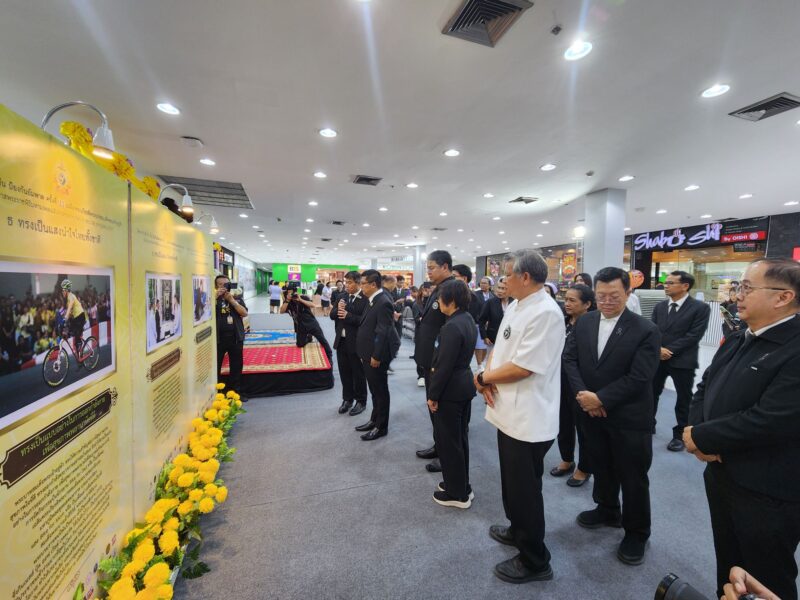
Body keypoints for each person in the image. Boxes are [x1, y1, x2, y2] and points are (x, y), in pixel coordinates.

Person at [686, 258, 800, 600]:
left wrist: (703, 437)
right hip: (722, 473)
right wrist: (694, 429)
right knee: (729, 564)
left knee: (764, 577)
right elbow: (704, 385)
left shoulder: (793, 349)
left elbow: (771, 419)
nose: (737, 294)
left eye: (747, 287)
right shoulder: (739, 337)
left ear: (782, 298)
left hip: (767, 489)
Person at [476, 250, 564, 584]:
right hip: (506, 410)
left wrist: (484, 379)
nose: (502, 282)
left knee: (526, 490)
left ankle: (535, 560)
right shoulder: (516, 305)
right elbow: (500, 349)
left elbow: (524, 367)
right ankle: (517, 529)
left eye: (507, 275)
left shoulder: (545, 312)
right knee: (513, 485)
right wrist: (484, 372)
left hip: (529, 417)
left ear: (525, 277)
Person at [563, 267, 661, 566]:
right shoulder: (586, 321)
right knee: (600, 463)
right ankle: (607, 509)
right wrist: (585, 397)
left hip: (629, 416)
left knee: (632, 476)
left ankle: (637, 532)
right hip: (590, 411)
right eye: (601, 295)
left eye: (614, 296)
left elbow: (641, 376)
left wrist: (601, 398)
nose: (606, 301)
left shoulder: (645, 329)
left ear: (628, 294)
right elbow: (570, 359)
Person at [427, 279, 477, 509]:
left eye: (441, 297)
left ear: (452, 300)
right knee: (460, 439)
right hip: (463, 387)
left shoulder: (451, 326)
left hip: (450, 390)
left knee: (449, 442)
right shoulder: (467, 319)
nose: (438, 301)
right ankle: (461, 484)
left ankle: (457, 494)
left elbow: (443, 366)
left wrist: (433, 395)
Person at [650, 270, 710, 451]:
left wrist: (670, 350)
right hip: (658, 358)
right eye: (665, 283)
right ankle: (647, 424)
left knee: (683, 398)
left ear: (685, 286)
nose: (665, 286)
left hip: (683, 360)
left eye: (670, 283)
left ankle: (680, 435)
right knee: (650, 393)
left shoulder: (700, 308)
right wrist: (658, 349)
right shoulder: (660, 307)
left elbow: (694, 335)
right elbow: (652, 330)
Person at [550, 284, 595, 487]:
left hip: (581, 384)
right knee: (563, 423)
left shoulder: (592, 325)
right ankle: (567, 459)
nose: (566, 303)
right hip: (559, 380)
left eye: (572, 300)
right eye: (566, 299)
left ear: (587, 304)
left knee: (584, 428)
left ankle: (584, 468)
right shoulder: (562, 321)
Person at [414, 250, 455, 473]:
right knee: (434, 409)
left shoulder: (450, 289)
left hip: (438, 360)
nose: (428, 271)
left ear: (445, 267)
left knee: (442, 410)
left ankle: (446, 454)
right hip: (429, 358)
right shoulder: (439, 288)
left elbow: (450, 328)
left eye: (431, 267)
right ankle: (439, 446)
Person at [354, 269, 397, 441]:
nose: (361, 286)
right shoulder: (372, 300)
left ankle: (381, 426)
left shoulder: (383, 302)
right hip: (367, 352)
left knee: (380, 391)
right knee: (374, 389)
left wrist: (376, 356)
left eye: (363, 283)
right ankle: (374, 419)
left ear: (373, 284)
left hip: (376, 355)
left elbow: (383, 332)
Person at [331, 271, 368, 416]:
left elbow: (365, 321)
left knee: (358, 373)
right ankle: (347, 399)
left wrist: (348, 315)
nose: (347, 285)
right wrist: (338, 309)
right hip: (342, 341)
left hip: (357, 342)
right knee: (344, 372)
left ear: (358, 283)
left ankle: (361, 401)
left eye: (350, 282)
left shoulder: (365, 299)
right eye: (346, 282)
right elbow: (332, 315)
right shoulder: (342, 297)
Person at [215, 274, 249, 396]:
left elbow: (244, 313)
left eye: (226, 284)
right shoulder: (211, 299)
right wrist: (215, 297)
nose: (223, 287)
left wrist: (232, 301)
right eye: (220, 284)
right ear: (216, 286)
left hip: (235, 338)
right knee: (215, 366)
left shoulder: (237, 298)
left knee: (236, 366)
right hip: (217, 339)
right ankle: (217, 393)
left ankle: (235, 392)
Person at [280, 284, 332, 360]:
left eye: (292, 293)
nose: (291, 295)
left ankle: (329, 354)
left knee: (322, 340)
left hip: (311, 323)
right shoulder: (288, 302)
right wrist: (287, 300)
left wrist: (300, 300)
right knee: (299, 344)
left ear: (296, 292)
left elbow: (312, 305)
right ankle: (309, 338)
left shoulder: (303, 297)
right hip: (300, 325)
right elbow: (281, 311)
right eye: (289, 293)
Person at [452, 264, 486, 371]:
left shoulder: (472, 297)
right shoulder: (449, 293)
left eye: (454, 276)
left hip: (462, 338)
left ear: (464, 278)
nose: (451, 279)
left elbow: (470, 321)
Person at [479, 276, 510, 347]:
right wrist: (484, 336)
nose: (500, 291)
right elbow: (482, 320)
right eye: (498, 288)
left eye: (503, 288)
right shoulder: (490, 302)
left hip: (509, 339)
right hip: (493, 338)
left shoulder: (514, 302)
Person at [473, 277, 495, 368]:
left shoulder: (493, 295)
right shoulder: (475, 295)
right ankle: (479, 365)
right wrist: (482, 320)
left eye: (485, 283)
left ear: (490, 285)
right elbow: (474, 310)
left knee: (486, 346)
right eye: (481, 283)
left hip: (489, 325)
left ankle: (482, 362)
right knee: (479, 345)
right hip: (478, 323)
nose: (483, 285)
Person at [60, 280, 86, 357]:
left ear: (66, 290)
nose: (62, 292)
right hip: (76, 318)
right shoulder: (68, 299)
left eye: (63, 291)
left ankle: (80, 347)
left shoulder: (71, 296)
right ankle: (79, 355)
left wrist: (65, 318)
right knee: (70, 332)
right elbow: (69, 312)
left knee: (77, 335)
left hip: (80, 316)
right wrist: (64, 321)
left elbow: (70, 307)